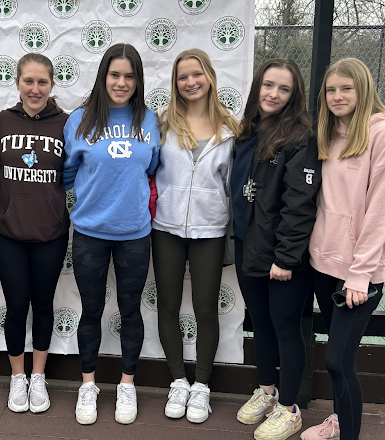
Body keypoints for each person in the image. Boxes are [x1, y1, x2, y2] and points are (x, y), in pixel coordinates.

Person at [300, 58, 385, 440]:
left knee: (336, 360)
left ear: (363, 90)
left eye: (346, 88)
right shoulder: (328, 133)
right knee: (337, 359)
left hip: (358, 276)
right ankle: (339, 420)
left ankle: (348, 433)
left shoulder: (383, 135)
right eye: (331, 90)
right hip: (323, 264)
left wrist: (359, 273)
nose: (337, 96)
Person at [63, 43, 160, 425]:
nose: (121, 83)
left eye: (129, 76)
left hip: (134, 233)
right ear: (103, 76)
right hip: (89, 232)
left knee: (131, 309)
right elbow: (67, 174)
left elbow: (149, 168)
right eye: (114, 74)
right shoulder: (80, 120)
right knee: (91, 310)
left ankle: (126, 383)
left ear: (138, 80)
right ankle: (88, 385)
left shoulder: (149, 120)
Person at [230, 58, 321, 440]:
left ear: (294, 95)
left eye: (284, 89)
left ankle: (290, 409)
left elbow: (299, 204)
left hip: (281, 259)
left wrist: (285, 258)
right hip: (247, 245)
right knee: (261, 324)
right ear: (258, 86)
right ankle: (267, 392)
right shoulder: (248, 131)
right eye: (269, 85)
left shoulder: (301, 137)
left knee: (287, 329)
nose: (274, 94)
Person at [152, 48, 240, 424]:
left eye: (196, 75)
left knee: (206, 310)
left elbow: (233, 187)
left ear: (209, 77)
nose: (190, 82)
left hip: (210, 231)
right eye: (183, 76)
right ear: (176, 82)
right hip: (166, 229)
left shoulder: (231, 129)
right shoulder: (160, 124)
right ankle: (178, 381)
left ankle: (201, 386)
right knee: (168, 306)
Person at [0, 53, 70, 414]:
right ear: (17, 83)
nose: (35, 89)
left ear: (52, 85)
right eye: (29, 81)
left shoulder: (67, 124)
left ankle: (38, 376)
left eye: (42, 82)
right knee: (15, 306)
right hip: (9, 233)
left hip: (50, 233)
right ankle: (17, 377)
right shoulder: (1, 121)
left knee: (42, 304)